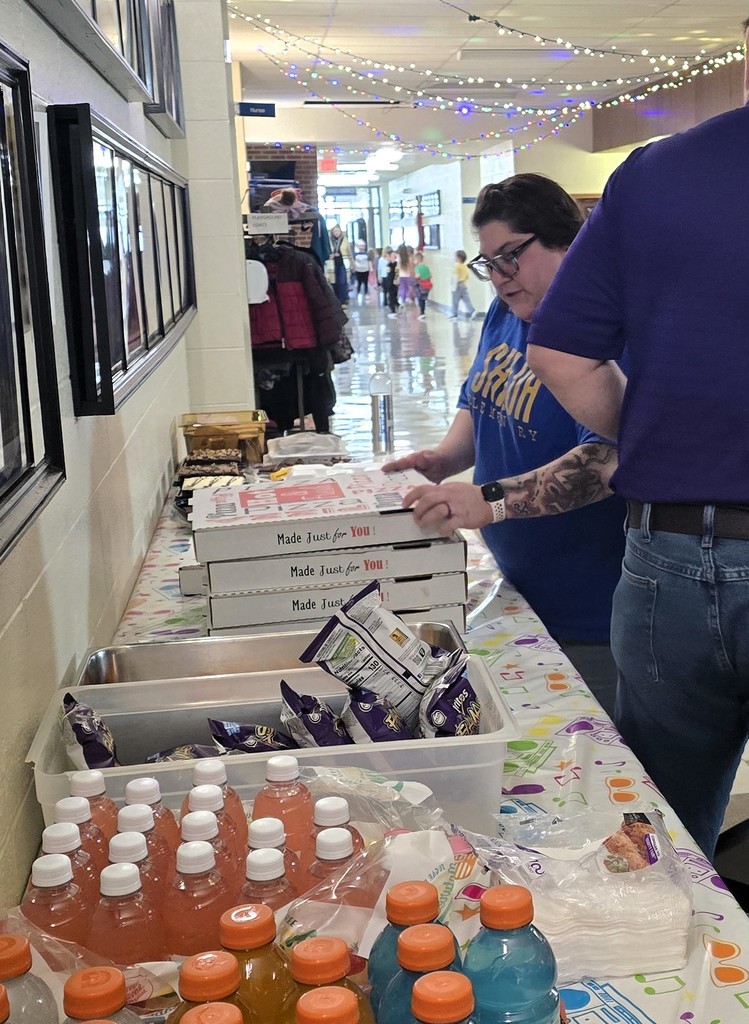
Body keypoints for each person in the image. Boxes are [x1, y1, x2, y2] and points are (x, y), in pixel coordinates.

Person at [525, 18, 749, 861]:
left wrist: (661, 436)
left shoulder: (656, 172)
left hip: (673, 557)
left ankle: (680, 982)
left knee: (656, 845)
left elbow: (556, 349)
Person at [385, 174, 626, 715]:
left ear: (570, 240)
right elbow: (481, 402)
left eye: (511, 256)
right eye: (488, 262)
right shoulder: (510, 312)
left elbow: (607, 461)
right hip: (516, 589)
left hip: (591, 614)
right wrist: (443, 459)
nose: (498, 277)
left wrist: (490, 500)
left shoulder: (609, 330)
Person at [450, 250, 478, 321]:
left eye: (455, 256)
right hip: (464, 284)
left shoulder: (457, 266)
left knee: (455, 300)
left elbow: (455, 277)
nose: (454, 258)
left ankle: (454, 315)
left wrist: (453, 288)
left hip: (458, 285)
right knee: (466, 299)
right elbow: (467, 276)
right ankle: (472, 311)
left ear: (459, 258)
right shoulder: (465, 266)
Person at [327, 225, 351, 305]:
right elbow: (327, 251)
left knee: (342, 282)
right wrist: (330, 255)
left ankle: (342, 300)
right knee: (334, 282)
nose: (336, 233)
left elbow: (349, 253)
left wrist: (353, 265)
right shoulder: (329, 241)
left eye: (338, 231)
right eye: (335, 231)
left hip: (343, 263)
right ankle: (337, 300)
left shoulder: (344, 240)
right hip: (332, 264)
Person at [413, 251, 432, 320]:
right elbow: (430, 275)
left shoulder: (417, 268)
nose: (413, 261)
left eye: (414, 260)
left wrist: (414, 278)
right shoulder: (426, 267)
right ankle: (425, 301)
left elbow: (418, 275)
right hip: (428, 285)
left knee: (420, 298)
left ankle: (422, 312)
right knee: (424, 297)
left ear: (418, 260)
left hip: (421, 285)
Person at [384, 249, 400, 319]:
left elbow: (391, 274)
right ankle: (396, 305)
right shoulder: (392, 264)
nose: (387, 258)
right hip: (392, 283)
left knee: (391, 296)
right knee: (393, 295)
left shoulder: (392, 265)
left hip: (392, 283)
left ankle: (393, 310)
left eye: (388, 256)